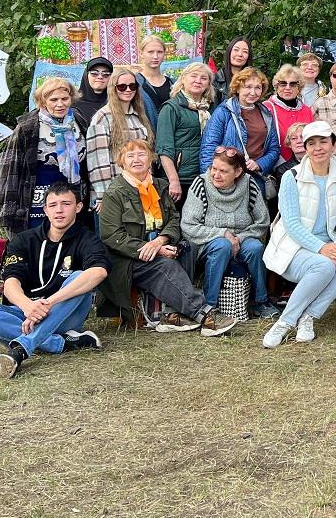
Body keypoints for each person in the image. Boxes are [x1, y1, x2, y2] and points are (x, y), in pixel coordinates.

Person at [0, 181, 109, 378]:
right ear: (45, 210)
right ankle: (59, 343)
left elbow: (99, 272)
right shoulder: (23, 240)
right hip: (27, 314)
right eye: (53, 205)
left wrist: (49, 303)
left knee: (79, 276)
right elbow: (10, 283)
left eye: (66, 204)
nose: (59, 210)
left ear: (78, 207)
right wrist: (28, 307)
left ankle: (21, 349)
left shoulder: (88, 239)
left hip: (65, 315)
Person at [98, 140, 240, 335]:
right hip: (129, 259)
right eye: (130, 156)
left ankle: (172, 315)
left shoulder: (160, 186)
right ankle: (205, 314)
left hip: (159, 245)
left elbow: (174, 219)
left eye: (142, 154)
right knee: (164, 265)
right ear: (122, 162)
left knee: (188, 247)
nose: (137, 160)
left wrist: (161, 240)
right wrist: (153, 249)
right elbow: (112, 236)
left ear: (151, 159)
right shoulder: (115, 193)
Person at [261, 121, 336, 348]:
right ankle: (285, 321)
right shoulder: (291, 176)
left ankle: (309, 317)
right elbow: (292, 224)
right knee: (324, 265)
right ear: (305, 148)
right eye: (312, 143)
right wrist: (322, 249)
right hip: (294, 248)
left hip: (328, 245)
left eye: (323, 141)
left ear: (333, 145)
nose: (318, 148)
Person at [182, 146, 275, 319]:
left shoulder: (248, 183)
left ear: (238, 171)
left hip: (242, 238)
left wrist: (239, 238)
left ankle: (260, 302)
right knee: (222, 246)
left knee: (255, 248)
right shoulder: (201, 184)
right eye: (213, 168)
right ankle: (209, 306)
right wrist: (223, 234)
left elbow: (262, 221)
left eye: (223, 171)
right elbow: (188, 225)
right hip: (208, 241)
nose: (216, 174)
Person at [0, 77, 90, 238]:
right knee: (40, 244)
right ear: (43, 102)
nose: (60, 104)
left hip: (72, 196)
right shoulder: (28, 128)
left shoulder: (78, 120)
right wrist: (9, 210)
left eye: (64, 99)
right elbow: (10, 170)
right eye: (54, 99)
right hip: (38, 200)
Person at [200, 67, 280, 191]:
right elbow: (209, 147)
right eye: (248, 87)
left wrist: (260, 164)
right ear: (237, 88)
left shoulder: (266, 113)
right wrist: (210, 181)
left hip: (256, 179)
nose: (253, 92)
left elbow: (274, 149)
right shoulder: (224, 111)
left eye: (258, 87)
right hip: (228, 179)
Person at [85, 67, 154, 207]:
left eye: (132, 86)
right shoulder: (102, 117)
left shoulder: (139, 116)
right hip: (115, 192)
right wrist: (103, 194)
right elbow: (98, 161)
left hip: (141, 190)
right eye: (122, 86)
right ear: (113, 88)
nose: (128, 90)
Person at [155, 62, 215, 210]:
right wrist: (173, 180)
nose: (198, 80)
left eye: (203, 78)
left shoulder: (209, 109)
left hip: (202, 176)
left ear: (208, 84)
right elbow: (164, 148)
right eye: (193, 76)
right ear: (183, 79)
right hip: (179, 179)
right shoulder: (171, 108)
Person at [264, 65, 314, 164]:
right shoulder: (266, 108)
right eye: (283, 84)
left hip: (305, 163)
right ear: (276, 87)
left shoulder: (307, 110)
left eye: (293, 84)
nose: (287, 88)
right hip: (274, 165)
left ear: (299, 88)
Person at [135, 35, 173, 130]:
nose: (155, 56)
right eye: (150, 52)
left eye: (159, 52)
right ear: (141, 53)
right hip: (145, 138)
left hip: (171, 138)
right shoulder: (133, 83)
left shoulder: (173, 83)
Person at [73, 57, 113, 129]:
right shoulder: (73, 104)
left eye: (106, 74)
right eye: (94, 73)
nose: (100, 77)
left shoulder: (115, 103)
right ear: (86, 75)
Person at [212, 37, 252, 104]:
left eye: (245, 51)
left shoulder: (253, 80)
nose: (240, 54)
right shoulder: (215, 80)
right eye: (236, 50)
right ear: (229, 52)